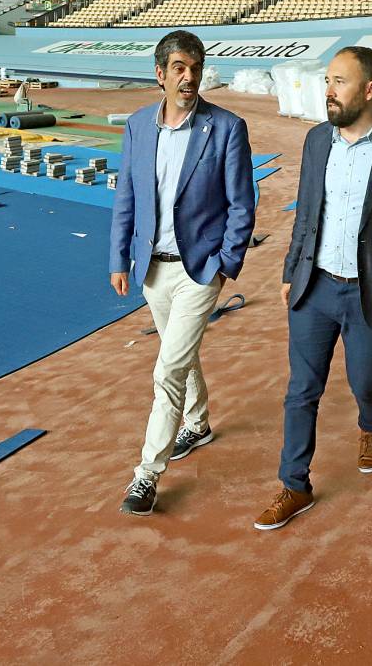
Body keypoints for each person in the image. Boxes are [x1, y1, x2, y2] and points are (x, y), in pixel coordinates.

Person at [254, 45, 372, 532]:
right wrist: (291, 270)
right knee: (301, 390)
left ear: (370, 89)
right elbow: (305, 212)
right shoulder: (317, 141)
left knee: (364, 379)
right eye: (328, 80)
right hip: (314, 288)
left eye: (339, 81)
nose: (328, 90)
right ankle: (294, 485)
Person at [108, 29, 256, 516]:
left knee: (168, 368)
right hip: (152, 268)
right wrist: (118, 258)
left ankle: (146, 474)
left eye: (195, 67)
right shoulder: (137, 126)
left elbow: (241, 203)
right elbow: (126, 197)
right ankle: (199, 423)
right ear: (160, 74)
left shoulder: (226, 128)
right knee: (181, 354)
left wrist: (225, 265)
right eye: (178, 68)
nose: (188, 77)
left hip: (199, 272)